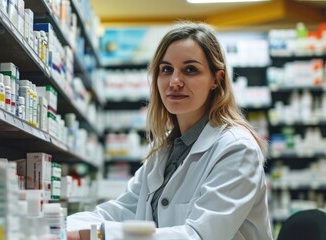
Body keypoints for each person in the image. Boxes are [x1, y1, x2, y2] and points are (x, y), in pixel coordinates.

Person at [67, 21, 273, 240]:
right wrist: (58, 227)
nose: (175, 81)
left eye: (190, 70)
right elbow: (122, 210)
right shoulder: (166, 149)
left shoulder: (237, 149)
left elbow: (199, 236)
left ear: (216, 79)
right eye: (166, 70)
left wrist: (97, 235)